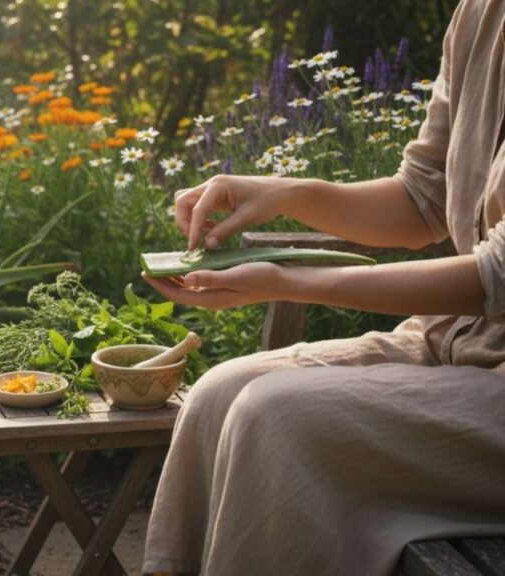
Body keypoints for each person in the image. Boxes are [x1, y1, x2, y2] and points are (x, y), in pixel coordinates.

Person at [140, 1, 505, 574]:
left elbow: (496, 276)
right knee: (219, 394)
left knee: (274, 417)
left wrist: (290, 281)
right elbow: (421, 198)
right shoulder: (480, 12)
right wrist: (282, 192)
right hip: (461, 343)